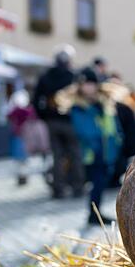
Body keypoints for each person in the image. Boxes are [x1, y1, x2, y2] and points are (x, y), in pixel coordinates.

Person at [60, 68, 123, 225]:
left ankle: (96, 212)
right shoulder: (79, 107)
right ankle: (93, 214)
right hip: (93, 152)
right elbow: (85, 130)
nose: (88, 87)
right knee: (96, 182)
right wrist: (96, 145)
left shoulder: (104, 103)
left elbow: (113, 125)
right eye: (84, 84)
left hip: (108, 150)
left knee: (102, 183)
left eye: (90, 83)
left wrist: (118, 140)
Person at [33, 45, 85, 199]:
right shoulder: (74, 76)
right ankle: (77, 187)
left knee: (57, 156)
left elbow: (36, 100)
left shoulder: (46, 76)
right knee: (75, 154)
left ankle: (59, 189)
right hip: (70, 121)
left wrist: (44, 116)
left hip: (53, 122)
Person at [7, 90, 36, 186]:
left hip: (19, 135)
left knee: (19, 159)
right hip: (25, 136)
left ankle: (21, 176)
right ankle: (24, 176)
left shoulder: (16, 111)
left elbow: (9, 115)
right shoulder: (29, 110)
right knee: (24, 159)